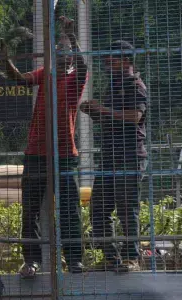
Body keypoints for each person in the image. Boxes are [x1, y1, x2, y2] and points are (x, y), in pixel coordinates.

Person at [0, 16, 88, 277]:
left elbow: (83, 64)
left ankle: (75, 260)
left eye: (65, 53)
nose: (60, 57)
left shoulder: (76, 79)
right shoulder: (44, 76)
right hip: (35, 152)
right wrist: (5, 60)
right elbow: (20, 78)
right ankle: (32, 261)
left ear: (70, 60)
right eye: (57, 53)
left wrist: (71, 35)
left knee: (69, 209)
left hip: (64, 155)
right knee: (30, 209)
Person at [80, 40, 147, 272]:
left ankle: (132, 258)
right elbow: (112, 119)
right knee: (98, 208)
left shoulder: (135, 84)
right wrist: (94, 113)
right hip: (109, 155)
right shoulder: (112, 85)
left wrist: (103, 109)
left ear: (127, 60)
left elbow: (135, 117)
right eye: (107, 57)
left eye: (113, 57)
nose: (108, 61)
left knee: (127, 208)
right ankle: (111, 258)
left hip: (129, 155)